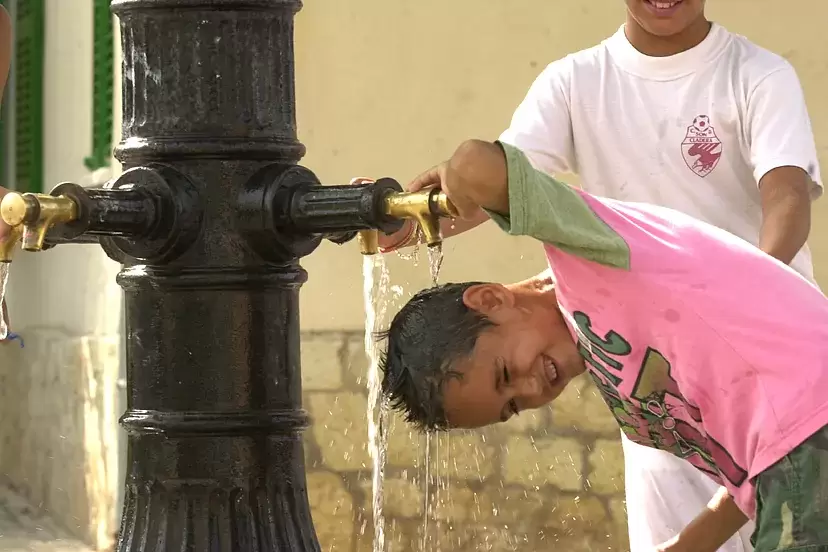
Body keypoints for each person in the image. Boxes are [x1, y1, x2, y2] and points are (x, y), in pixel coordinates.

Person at [370, 1, 822, 549]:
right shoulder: (627, 386)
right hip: (742, 427)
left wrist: (748, 294)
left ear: (490, 299)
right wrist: (413, 215)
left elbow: (488, 172)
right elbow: (744, 467)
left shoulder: (592, 255)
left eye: (506, 374)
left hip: (780, 366)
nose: (532, 389)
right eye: (512, 403)